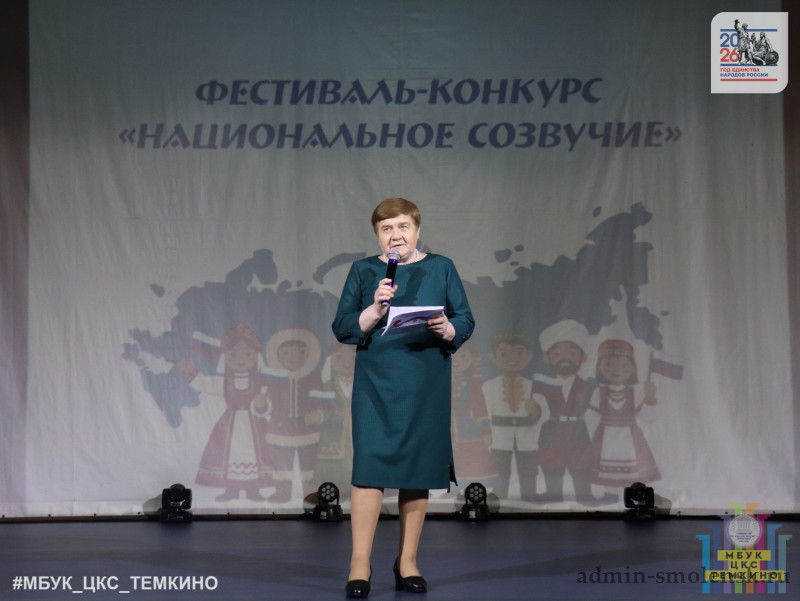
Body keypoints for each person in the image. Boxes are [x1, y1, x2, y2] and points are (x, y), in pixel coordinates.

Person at [332, 197, 474, 598]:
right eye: (386, 229)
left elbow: (464, 318)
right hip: (377, 382)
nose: (396, 235)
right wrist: (374, 310)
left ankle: (407, 561)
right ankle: (360, 563)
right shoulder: (364, 271)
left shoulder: (441, 267)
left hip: (426, 382)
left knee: (418, 468)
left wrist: (447, 327)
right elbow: (342, 326)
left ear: (417, 229)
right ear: (377, 235)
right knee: (369, 468)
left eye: (403, 227)